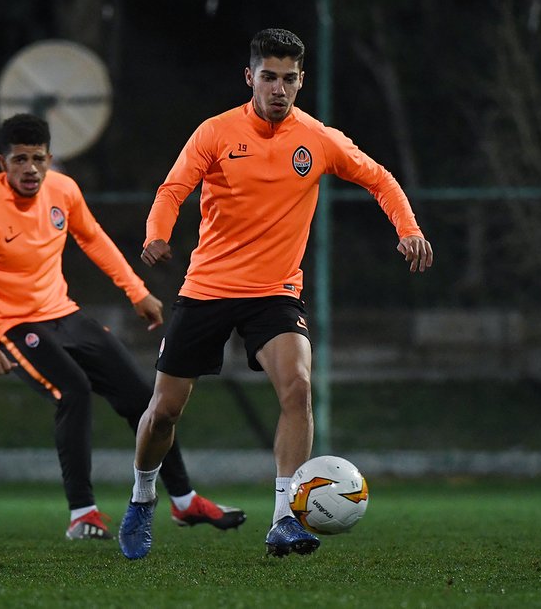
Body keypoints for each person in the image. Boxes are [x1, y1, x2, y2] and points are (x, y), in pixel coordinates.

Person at [118, 28, 433, 560]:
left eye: (289, 79)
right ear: (250, 77)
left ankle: (284, 518)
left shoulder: (318, 138)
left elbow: (379, 179)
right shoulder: (216, 132)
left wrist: (408, 229)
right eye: (269, 77)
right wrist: (156, 233)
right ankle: (142, 498)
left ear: (302, 80)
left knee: (298, 388)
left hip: (275, 292)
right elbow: (173, 188)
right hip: (208, 288)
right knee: (164, 411)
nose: (278, 89)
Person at [0, 113, 245, 540]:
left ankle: (183, 500)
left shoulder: (63, 190)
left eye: (38, 158)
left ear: (50, 159)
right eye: (20, 159)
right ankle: (82, 513)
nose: (30, 168)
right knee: (74, 392)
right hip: (11, 326)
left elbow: (93, 238)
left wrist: (136, 291)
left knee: (143, 397)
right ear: (2, 163)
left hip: (63, 313)